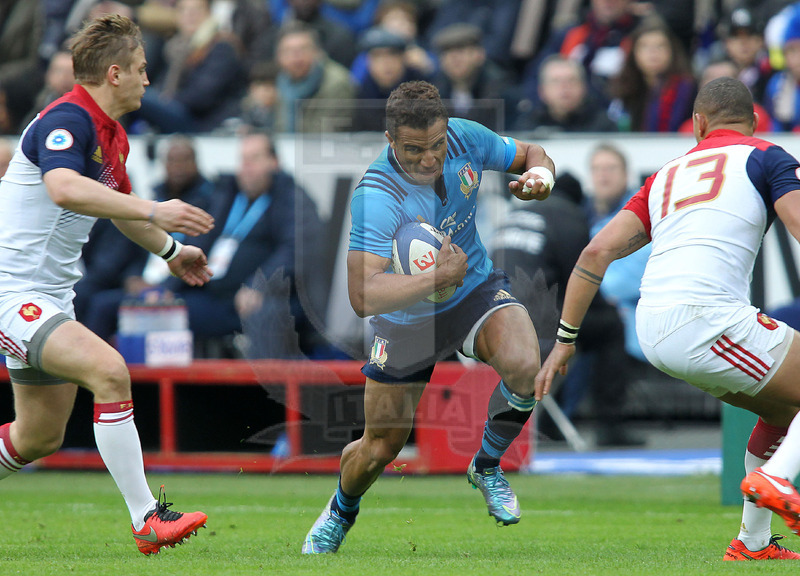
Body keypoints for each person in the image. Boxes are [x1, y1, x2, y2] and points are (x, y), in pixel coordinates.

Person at [535, 77, 800, 561]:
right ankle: (777, 477)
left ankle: (753, 543)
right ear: (754, 120)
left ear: (697, 124)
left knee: (782, 413)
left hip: (653, 329)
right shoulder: (767, 155)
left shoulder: (664, 175)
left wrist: (565, 340)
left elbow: (595, 253)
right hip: (706, 321)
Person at [302, 80, 555, 554]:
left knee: (525, 366)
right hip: (405, 320)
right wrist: (435, 278)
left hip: (472, 289)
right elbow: (362, 294)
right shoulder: (375, 195)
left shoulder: (466, 137)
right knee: (380, 448)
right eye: (414, 149)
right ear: (390, 141)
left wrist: (542, 179)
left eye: (436, 144)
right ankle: (340, 510)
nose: (429, 157)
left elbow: (533, 152)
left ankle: (487, 465)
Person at [0, 15, 215, 555]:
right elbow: (65, 188)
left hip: (51, 298)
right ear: (114, 73)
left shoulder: (109, 134)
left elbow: (118, 210)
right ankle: (147, 520)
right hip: (14, 294)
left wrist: (171, 251)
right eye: (142, 70)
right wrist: (155, 207)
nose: (149, 80)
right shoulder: (69, 119)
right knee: (110, 372)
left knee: (37, 437)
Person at [163, 132, 323, 358]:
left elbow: (295, 249)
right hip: (213, 293)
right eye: (243, 160)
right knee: (160, 310)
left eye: (254, 159)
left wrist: (259, 284)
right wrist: (170, 287)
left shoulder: (291, 199)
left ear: (274, 162)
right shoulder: (227, 195)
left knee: (265, 315)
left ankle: (262, 393)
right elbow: (199, 239)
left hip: (266, 296)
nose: (246, 168)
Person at [607, 16, 696, 132]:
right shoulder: (622, 88)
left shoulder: (688, 89)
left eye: (660, 46)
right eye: (645, 46)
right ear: (634, 53)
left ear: (672, 51)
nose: (653, 52)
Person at [273, 22, 355, 133]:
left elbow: (324, 134)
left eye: (303, 49)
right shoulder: (280, 82)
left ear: (317, 52)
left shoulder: (337, 83)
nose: (296, 57)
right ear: (278, 56)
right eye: (288, 51)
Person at [430, 23, 513, 131]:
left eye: (461, 51)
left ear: (479, 54)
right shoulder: (436, 91)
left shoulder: (500, 89)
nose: (454, 59)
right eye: (447, 52)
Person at [513, 55, 617, 133]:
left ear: (584, 87)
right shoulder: (527, 126)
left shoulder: (604, 125)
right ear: (542, 91)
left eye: (571, 80)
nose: (565, 87)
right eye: (556, 81)